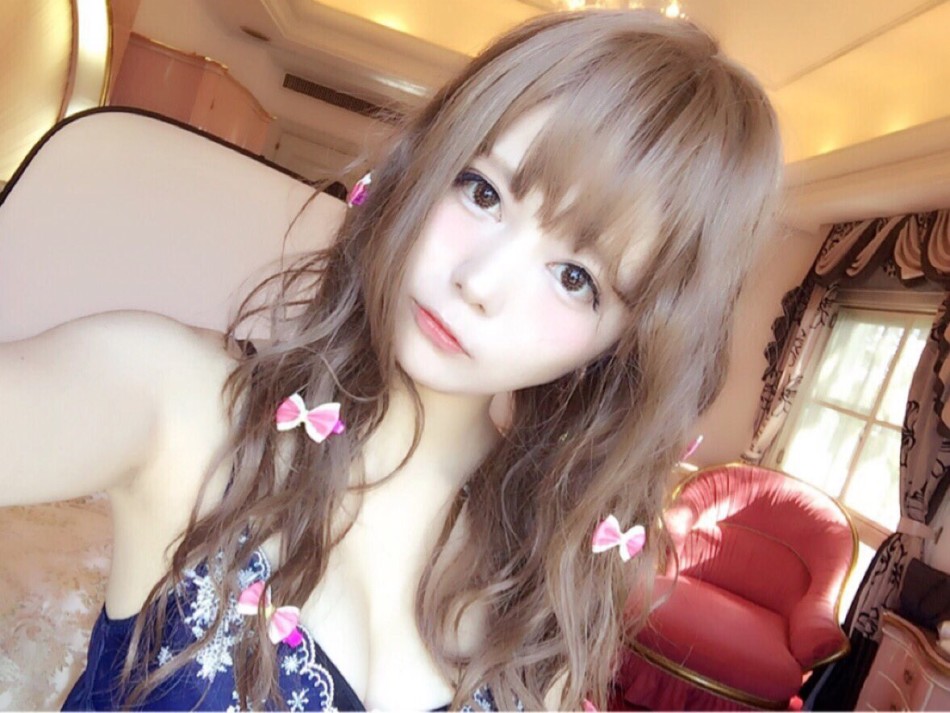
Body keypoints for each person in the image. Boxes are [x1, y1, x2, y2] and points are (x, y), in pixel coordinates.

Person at [0, 8, 782, 711]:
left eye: (576, 277)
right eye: (483, 192)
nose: (478, 282)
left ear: (621, 344)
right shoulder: (177, 400)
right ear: (429, 164)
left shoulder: (542, 594)